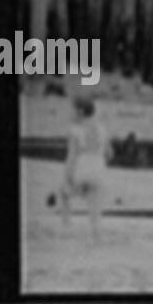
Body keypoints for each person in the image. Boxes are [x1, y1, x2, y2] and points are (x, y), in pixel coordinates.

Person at [58, 96, 109, 242]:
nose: (70, 113)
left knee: (63, 193)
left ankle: (66, 227)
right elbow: (109, 153)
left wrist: (68, 176)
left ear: (80, 112)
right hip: (99, 167)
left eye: (72, 110)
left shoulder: (74, 129)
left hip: (83, 166)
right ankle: (97, 237)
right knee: (95, 207)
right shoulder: (102, 128)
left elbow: (72, 155)